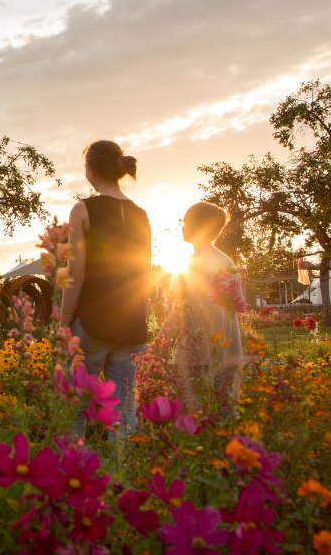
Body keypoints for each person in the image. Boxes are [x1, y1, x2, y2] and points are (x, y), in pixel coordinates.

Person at [60, 140, 152, 438]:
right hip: (132, 325)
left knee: (74, 409)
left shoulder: (82, 209)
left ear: (90, 171)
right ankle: (121, 478)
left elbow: (76, 273)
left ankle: (71, 470)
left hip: (93, 323)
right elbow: (145, 275)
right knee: (123, 414)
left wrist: (64, 323)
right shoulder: (142, 214)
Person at [159, 201, 245, 417]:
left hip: (196, 357)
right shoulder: (227, 263)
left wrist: (157, 347)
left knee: (190, 421)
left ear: (196, 226)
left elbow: (178, 314)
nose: (182, 226)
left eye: (185, 221)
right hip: (227, 354)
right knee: (222, 422)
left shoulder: (189, 266)